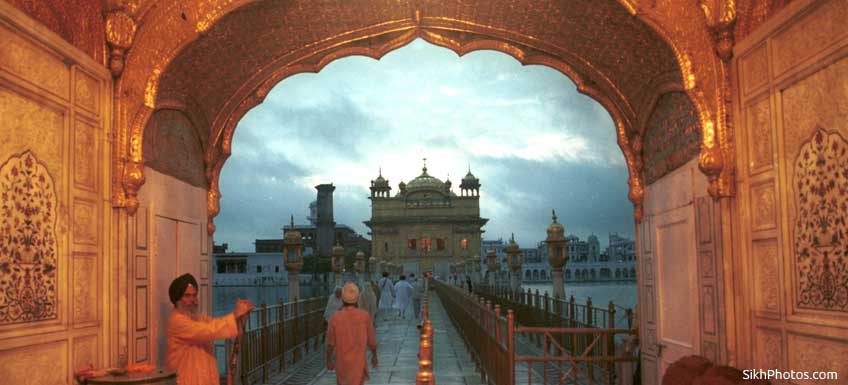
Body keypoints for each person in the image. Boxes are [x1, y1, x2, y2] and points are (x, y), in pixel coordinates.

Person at [166, 273, 254, 385]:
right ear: (177, 300)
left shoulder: (197, 318)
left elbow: (215, 323)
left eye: (194, 295)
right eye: (187, 296)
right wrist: (236, 314)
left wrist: (239, 317)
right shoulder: (177, 321)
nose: (193, 300)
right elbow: (209, 330)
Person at [327, 282, 378, 385]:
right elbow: (372, 340)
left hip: (342, 363)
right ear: (357, 298)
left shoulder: (336, 317)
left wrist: (328, 359)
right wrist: (374, 355)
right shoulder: (364, 316)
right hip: (358, 363)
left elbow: (330, 343)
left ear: (342, 298)